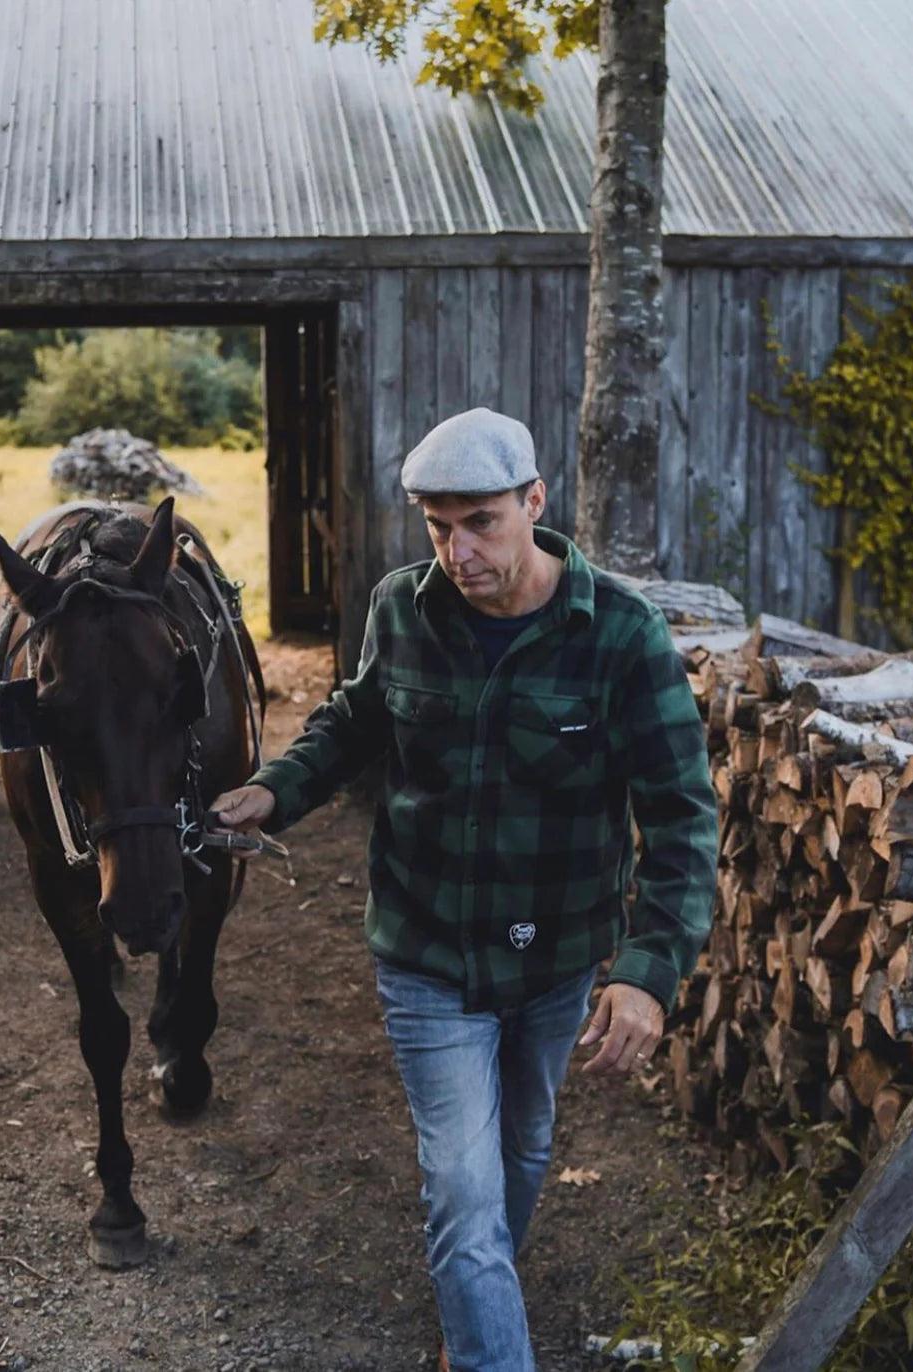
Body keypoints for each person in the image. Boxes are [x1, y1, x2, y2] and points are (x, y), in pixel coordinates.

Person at [212, 407, 719, 1372]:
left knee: (522, 1151)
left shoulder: (622, 634)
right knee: (461, 1182)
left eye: (481, 522)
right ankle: (487, 1338)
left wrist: (648, 971)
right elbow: (354, 722)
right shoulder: (401, 609)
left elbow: (683, 816)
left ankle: (470, 1305)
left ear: (535, 501)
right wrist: (275, 790)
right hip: (427, 948)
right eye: (438, 526)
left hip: (557, 956)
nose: (458, 552)